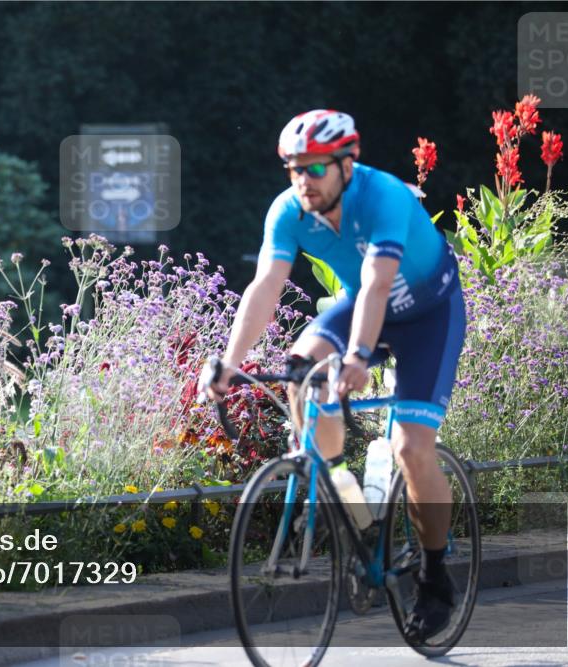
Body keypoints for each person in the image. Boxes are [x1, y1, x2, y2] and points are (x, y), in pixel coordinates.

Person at [205, 109, 467, 642]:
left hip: (427, 316)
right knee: (302, 367)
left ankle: (434, 576)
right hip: (359, 308)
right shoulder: (288, 211)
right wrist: (230, 361)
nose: (305, 180)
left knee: (412, 449)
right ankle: (347, 497)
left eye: (316, 168)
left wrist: (358, 357)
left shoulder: (384, 197)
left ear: (348, 164)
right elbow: (265, 287)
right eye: (294, 169)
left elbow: (376, 284)